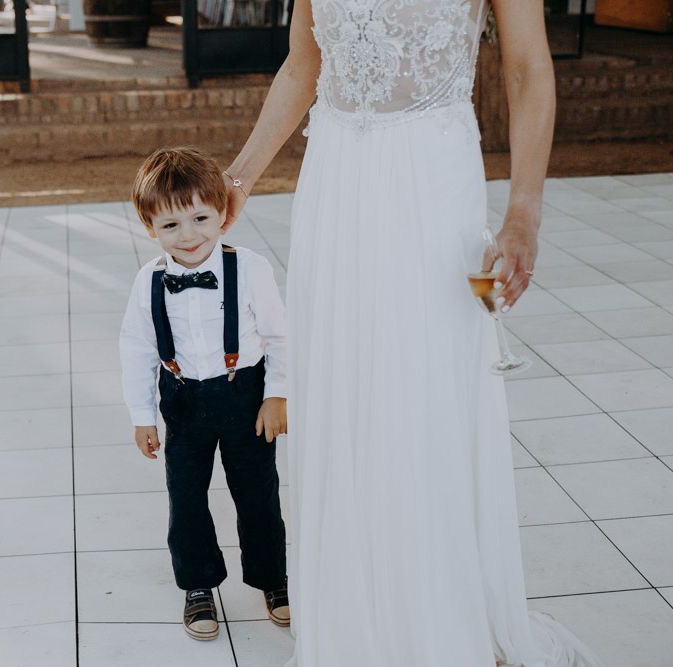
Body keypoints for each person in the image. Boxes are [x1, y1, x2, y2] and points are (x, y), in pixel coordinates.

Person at [220, 1, 605, 665]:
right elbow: (303, 63)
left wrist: (522, 212)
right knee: (348, 394)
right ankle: (354, 616)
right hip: (337, 180)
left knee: (427, 393)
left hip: (432, 180)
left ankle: (439, 618)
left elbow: (526, 68)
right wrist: (241, 174)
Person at [119, 146, 290, 641]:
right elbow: (136, 347)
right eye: (171, 226)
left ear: (222, 214)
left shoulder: (251, 269)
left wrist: (277, 395)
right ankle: (198, 584)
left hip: (246, 398)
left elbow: (280, 337)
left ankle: (271, 579)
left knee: (258, 493)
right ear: (150, 228)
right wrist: (142, 414)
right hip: (184, 403)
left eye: (200, 218)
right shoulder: (148, 280)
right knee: (186, 497)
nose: (189, 235)